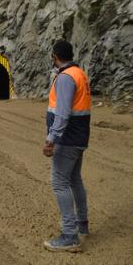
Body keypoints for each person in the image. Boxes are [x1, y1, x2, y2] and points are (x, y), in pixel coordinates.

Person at [43, 40, 91, 252]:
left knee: (59, 182)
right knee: (74, 180)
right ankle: (82, 225)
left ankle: (70, 235)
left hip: (67, 139)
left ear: (55, 56)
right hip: (79, 137)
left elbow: (62, 114)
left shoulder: (64, 78)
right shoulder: (79, 73)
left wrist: (51, 139)